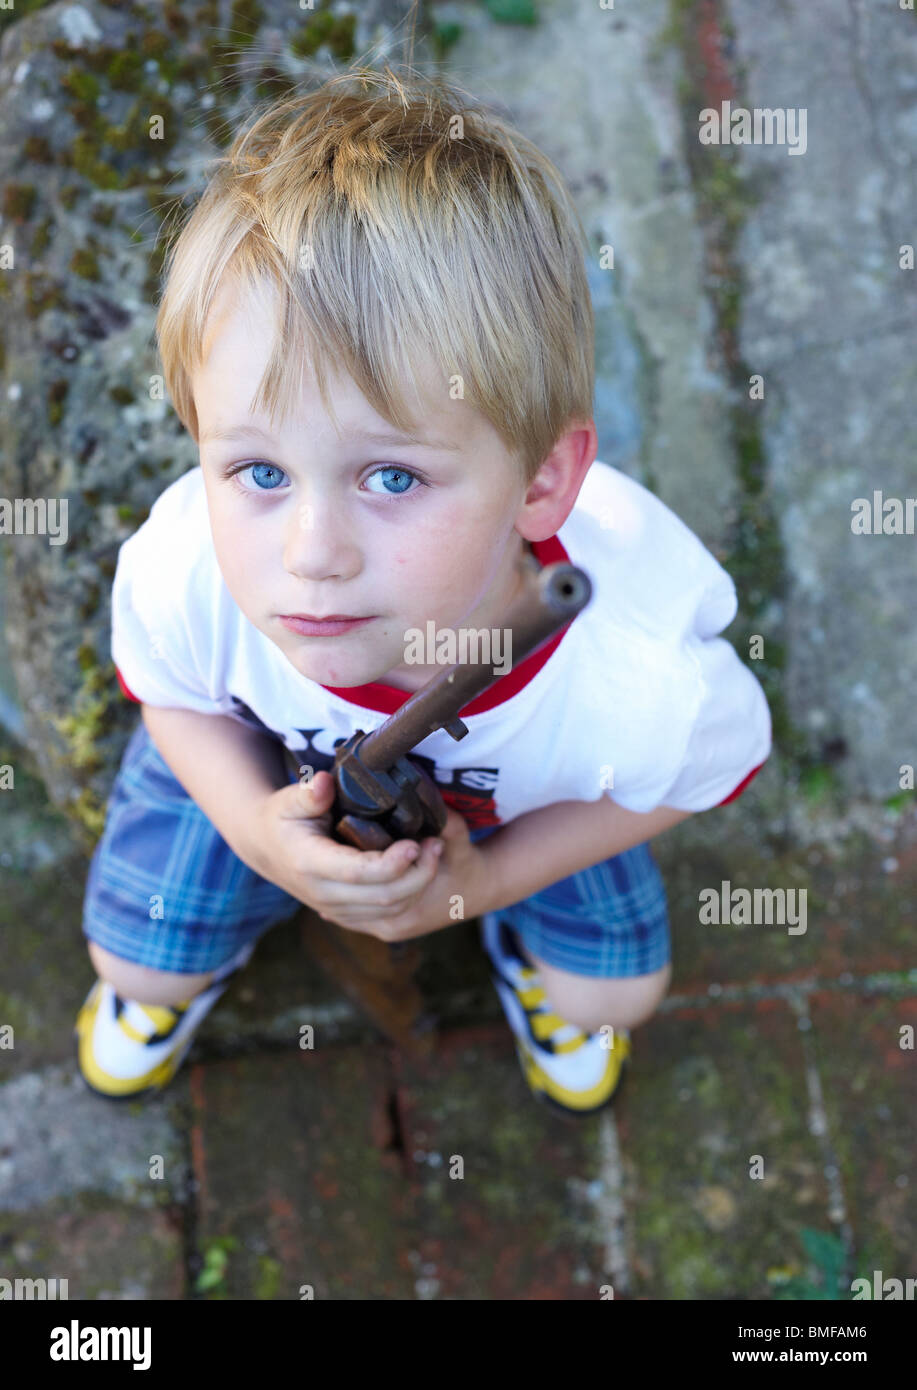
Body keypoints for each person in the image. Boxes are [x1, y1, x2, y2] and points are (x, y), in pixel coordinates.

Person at [75, 64, 771, 1119]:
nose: (311, 554)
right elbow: (171, 692)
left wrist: (480, 883)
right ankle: (198, 957)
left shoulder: (628, 676)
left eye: (390, 476)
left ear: (539, 480)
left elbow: (684, 773)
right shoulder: (192, 570)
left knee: (612, 996)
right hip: (263, 768)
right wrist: (256, 832)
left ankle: (509, 938)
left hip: (524, 806)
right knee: (137, 967)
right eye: (259, 471)